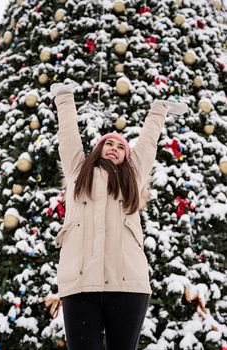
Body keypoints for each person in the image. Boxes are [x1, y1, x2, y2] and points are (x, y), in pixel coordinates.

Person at [50, 82, 188, 350]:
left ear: (127, 156)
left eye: (120, 146)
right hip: (79, 285)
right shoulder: (78, 172)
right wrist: (65, 98)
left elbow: (147, 143)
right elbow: (68, 138)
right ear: (98, 150)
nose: (113, 147)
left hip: (128, 286)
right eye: (108, 143)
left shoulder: (132, 177)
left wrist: (158, 110)